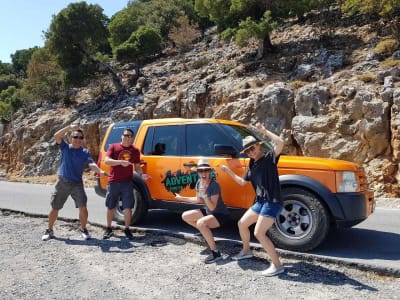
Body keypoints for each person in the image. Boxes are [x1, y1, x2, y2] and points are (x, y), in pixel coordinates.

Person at [221, 123, 285, 276]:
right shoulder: (253, 164)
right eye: (247, 150)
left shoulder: (270, 157)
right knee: (242, 223)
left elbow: (281, 143)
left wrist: (264, 131)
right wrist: (228, 171)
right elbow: (243, 182)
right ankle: (246, 250)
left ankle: (278, 266)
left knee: (259, 233)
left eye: (252, 148)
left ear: (258, 146)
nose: (250, 152)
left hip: (272, 201)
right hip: (261, 202)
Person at [42, 123, 107, 241]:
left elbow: (91, 164)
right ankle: (49, 230)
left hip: (77, 183)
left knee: (83, 207)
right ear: (71, 138)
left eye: (80, 137)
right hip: (63, 182)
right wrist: (69, 128)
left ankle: (83, 229)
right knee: (55, 207)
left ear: (83, 140)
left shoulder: (85, 152)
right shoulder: (65, 147)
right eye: (75, 137)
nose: (78, 140)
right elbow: (56, 136)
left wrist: (100, 171)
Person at [175, 158, 230, 264]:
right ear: (198, 172)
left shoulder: (214, 185)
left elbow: (213, 207)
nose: (203, 173)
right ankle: (205, 233)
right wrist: (181, 198)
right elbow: (198, 200)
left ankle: (216, 253)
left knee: (201, 223)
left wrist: (205, 194)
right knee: (185, 216)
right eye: (201, 171)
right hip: (208, 211)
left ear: (210, 171)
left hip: (220, 214)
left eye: (206, 170)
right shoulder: (199, 182)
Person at [102, 128, 150, 240]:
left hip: (127, 183)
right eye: (126, 135)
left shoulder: (135, 150)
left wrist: (142, 175)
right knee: (111, 206)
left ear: (132, 138)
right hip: (113, 181)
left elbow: (137, 167)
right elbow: (107, 161)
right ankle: (108, 228)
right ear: (121, 136)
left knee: (128, 207)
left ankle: (127, 229)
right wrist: (120, 162)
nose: (127, 137)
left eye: (130, 136)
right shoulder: (113, 147)